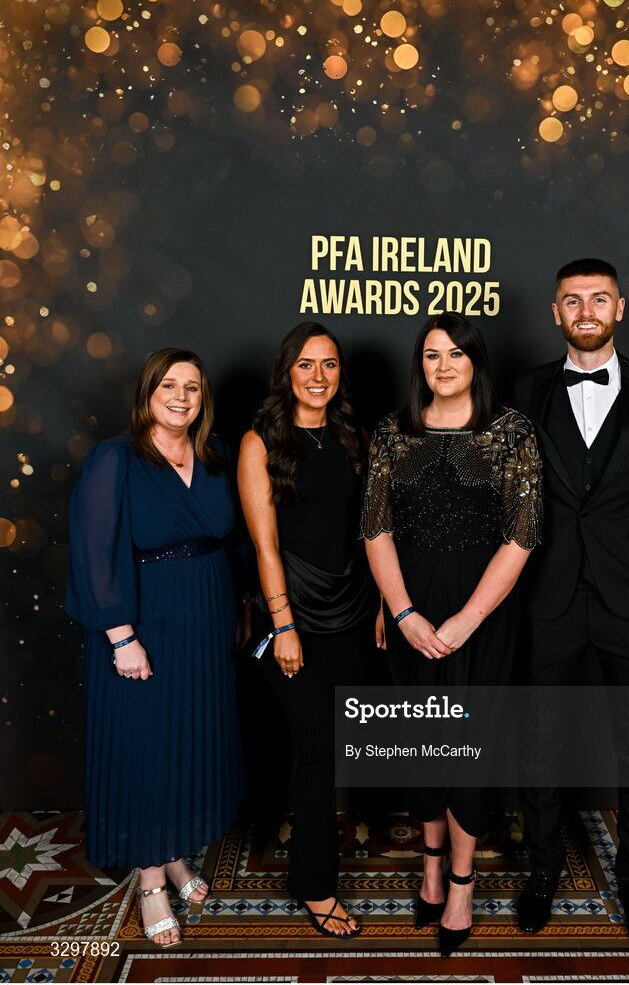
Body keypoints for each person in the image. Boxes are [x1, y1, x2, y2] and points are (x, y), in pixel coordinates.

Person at [512, 258, 629, 949]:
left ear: (620, 308)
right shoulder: (525, 390)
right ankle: (543, 871)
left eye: (599, 299)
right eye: (573, 300)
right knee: (539, 743)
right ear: (555, 312)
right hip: (547, 598)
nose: (586, 310)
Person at [362, 313, 542, 957]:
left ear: (475, 363)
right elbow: (375, 528)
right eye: (432, 354)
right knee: (422, 743)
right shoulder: (394, 432)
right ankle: (432, 867)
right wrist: (403, 612)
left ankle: (462, 884)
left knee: (469, 746)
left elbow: (522, 535)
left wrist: (467, 619)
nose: (443, 365)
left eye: (456, 354)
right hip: (410, 609)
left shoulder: (511, 432)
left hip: (482, 613)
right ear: (421, 365)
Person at [66, 348, 244, 947]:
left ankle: (171, 854)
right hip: (143, 624)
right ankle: (150, 880)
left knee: (187, 741)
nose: (180, 397)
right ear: (147, 392)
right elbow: (93, 550)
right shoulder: (115, 458)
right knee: (146, 748)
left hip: (206, 621)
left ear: (203, 399)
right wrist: (121, 637)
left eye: (192, 387)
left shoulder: (216, 456)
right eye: (169, 385)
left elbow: (230, 542)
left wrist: (242, 608)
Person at [237, 322, 379, 939]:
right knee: (318, 749)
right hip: (295, 616)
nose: (318, 377)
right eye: (305, 364)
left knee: (334, 748)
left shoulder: (354, 436)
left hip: (353, 610)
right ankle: (315, 886)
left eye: (329, 364)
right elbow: (265, 546)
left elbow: (369, 531)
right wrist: (283, 626)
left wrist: (381, 605)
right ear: (286, 371)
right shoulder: (260, 441)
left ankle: (315, 868)